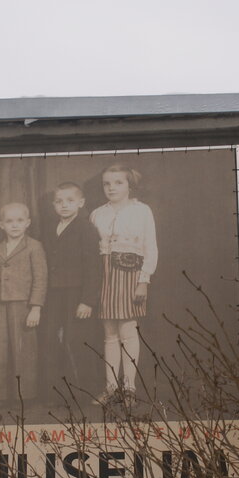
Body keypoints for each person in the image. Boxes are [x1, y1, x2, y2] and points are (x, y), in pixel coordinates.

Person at [90, 164, 158, 404]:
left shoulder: (142, 211)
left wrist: (144, 280)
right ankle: (111, 388)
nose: (112, 188)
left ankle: (129, 387)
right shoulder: (97, 213)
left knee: (128, 332)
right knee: (109, 334)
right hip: (104, 276)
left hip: (131, 275)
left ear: (130, 184)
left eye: (118, 182)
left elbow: (151, 247)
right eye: (107, 183)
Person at [42, 182, 102, 401]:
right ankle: (57, 393)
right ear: (53, 205)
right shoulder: (50, 227)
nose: (64, 205)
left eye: (69, 200)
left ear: (81, 203)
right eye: (59, 201)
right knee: (52, 340)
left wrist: (87, 300)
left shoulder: (86, 228)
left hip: (77, 294)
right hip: (54, 294)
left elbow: (94, 267)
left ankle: (87, 392)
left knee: (78, 340)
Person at [0, 202, 47, 402]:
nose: (15, 225)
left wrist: (36, 308)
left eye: (20, 220)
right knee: (0, 350)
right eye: (9, 221)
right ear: (1, 224)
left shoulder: (34, 246)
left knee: (24, 350)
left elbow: (41, 278)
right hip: (0, 304)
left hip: (23, 304)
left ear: (28, 223)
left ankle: (24, 396)